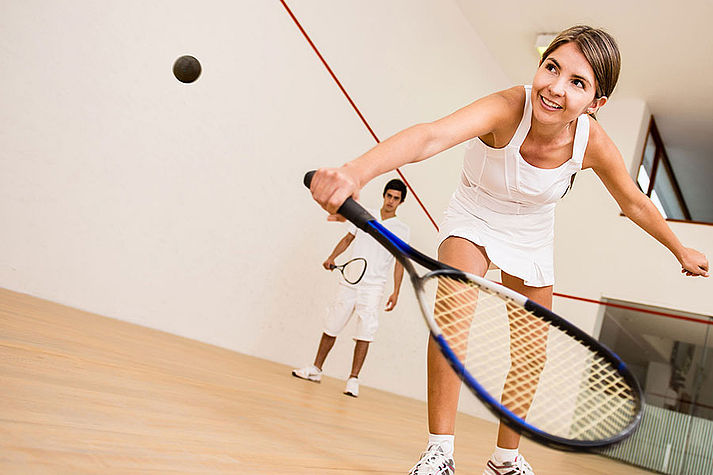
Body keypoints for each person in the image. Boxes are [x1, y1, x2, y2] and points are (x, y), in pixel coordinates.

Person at [306, 25, 709, 475]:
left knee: (532, 355)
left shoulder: (591, 142)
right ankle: (439, 452)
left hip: (531, 232)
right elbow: (430, 136)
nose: (555, 88)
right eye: (552, 68)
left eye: (577, 82)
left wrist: (680, 249)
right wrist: (355, 172)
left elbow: (634, 201)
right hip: (474, 213)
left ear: (595, 104)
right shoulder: (508, 107)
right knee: (452, 327)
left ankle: (504, 461)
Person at [293, 179, 410, 398]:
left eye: (396, 198)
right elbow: (348, 239)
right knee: (332, 323)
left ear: (401, 202)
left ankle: (353, 379)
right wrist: (332, 257)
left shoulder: (402, 230)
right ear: (384, 195)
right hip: (351, 281)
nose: (391, 201)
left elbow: (399, 262)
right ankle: (316, 369)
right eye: (389, 196)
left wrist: (396, 291)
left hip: (374, 287)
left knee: (365, 331)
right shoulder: (366, 216)